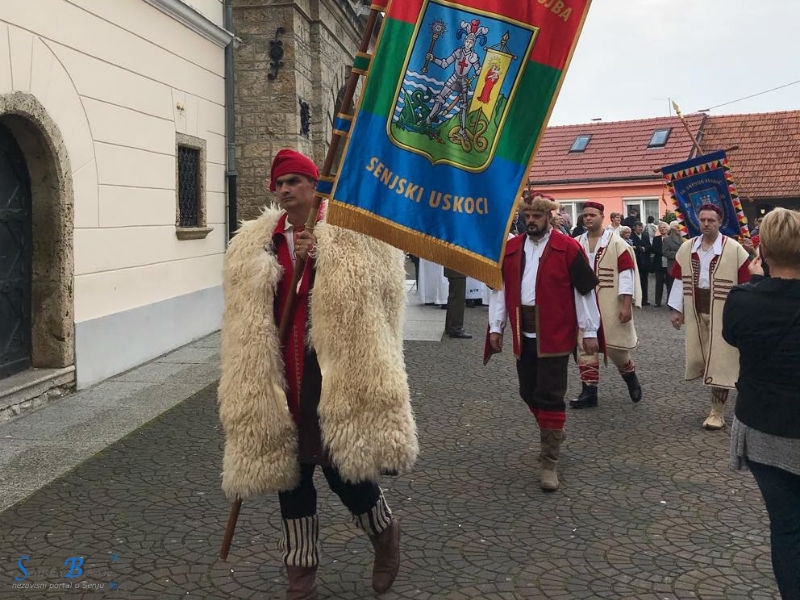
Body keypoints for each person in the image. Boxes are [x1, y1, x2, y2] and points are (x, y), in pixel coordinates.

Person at [217, 148, 418, 599]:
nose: (285, 190)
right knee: (291, 473)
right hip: (277, 372)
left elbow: (379, 291)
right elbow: (241, 312)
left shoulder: (351, 231)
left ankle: (384, 534)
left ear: (315, 185)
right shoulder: (256, 241)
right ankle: (300, 574)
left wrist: (325, 255)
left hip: (332, 371)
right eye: (280, 184)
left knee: (342, 470)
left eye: (294, 181)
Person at [485, 192, 600, 491]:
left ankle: (549, 461)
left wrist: (589, 331)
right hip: (524, 331)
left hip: (556, 331)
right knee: (527, 391)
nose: (531, 221)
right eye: (527, 216)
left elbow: (584, 291)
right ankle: (554, 428)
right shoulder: (511, 249)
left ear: (549, 217)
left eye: (537, 216)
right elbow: (500, 290)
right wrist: (495, 327)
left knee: (549, 394)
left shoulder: (568, 248)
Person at [723, 208, 800, 599]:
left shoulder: (742, 300)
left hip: (765, 429)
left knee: (787, 527)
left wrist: (755, 283)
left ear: (763, 250)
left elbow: (734, 337)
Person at [668, 203, 750, 430]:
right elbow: (679, 279)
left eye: (711, 220)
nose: (706, 224)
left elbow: (746, 284)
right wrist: (676, 309)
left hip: (725, 314)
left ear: (720, 222)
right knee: (701, 358)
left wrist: (742, 315)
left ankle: (717, 412)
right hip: (696, 310)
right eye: (702, 220)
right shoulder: (687, 248)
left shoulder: (734, 250)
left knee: (721, 361)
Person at [570, 201, 643, 409]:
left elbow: (626, 275)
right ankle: (589, 392)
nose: (588, 218)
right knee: (585, 346)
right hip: (583, 301)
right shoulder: (576, 243)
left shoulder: (618, 243)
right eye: (585, 215)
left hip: (610, 301)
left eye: (592, 215)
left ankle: (631, 378)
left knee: (615, 347)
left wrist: (626, 304)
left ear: (602, 217)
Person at [444, 267, 472, 338]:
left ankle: (450, 326)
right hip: (458, 268)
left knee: (453, 297)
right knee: (458, 299)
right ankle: (456, 328)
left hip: (454, 268)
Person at [630, 222, 651, 306]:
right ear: (634, 228)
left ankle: (644, 300)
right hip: (637, 262)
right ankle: (636, 300)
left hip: (645, 263)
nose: (640, 229)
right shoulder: (631, 236)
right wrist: (640, 248)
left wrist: (643, 248)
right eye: (639, 227)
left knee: (645, 282)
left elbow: (649, 246)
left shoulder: (645, 235)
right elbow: (633, 248)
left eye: (641, 227)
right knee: (636, 281)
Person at [661, 221, 684, 294]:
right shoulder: (667, 240)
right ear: (672, 228)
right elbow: (665, 252)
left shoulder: (683, 238)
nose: (679, 229)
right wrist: (677, 254)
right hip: (672, 266)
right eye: (677, 227)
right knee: (672, 287)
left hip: (683, 266)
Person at [650, 221, 669, 307]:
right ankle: (658, 302)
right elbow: (654, 249)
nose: (662, 229)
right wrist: (664, 253)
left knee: (669, 284)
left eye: (664, 228)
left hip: (669, 264)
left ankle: (670, 302)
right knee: (659, 284)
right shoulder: (656, 239)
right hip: (659, 264)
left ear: (667, 229)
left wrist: (667, 254)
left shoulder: (671, 238)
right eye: (661, 228)